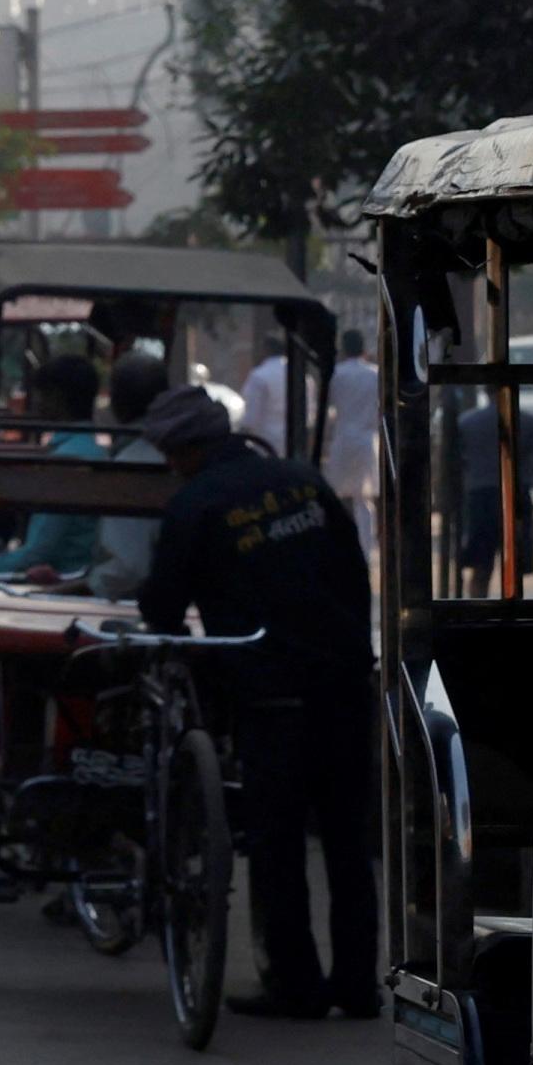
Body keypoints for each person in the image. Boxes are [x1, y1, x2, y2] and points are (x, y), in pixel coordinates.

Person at [133, 387, 376, 1020]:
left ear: (185, 450)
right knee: (349, 841)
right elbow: (355, 573)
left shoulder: (196, 504)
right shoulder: (303, 481)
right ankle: (357, 986)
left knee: (278, 841)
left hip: (272, 692)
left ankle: (295, 986)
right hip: (346, 681)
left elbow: (162, 607)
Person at [0, 354, 108, 579]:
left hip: (58, 579)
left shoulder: (64, 463)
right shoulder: (96, 452)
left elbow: (38, 553)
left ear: (57, 397)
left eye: (42, 394)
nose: (37, 402)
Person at [86, 351, 170, 601]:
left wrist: (86, 590)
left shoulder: (131, 466)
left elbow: (125, 572)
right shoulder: (176, 451)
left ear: (116, 402)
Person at [457, 394, 533, 589]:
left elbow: (454, 460)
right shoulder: (528, 421)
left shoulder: (467, 422)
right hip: (516, 493)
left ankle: (477, 612)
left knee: (481, 566)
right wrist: (525, 470)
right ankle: (513, 607)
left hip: (480, 496)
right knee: (515, 565)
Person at [324, 328, 381, 560]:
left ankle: (337, 550)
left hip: (343, 439)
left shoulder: (337, 374)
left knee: (336, 496)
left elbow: (328, 407)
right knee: (363, 500)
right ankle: (365, 553)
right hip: (367, 441)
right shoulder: (375, 374)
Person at [237, 342, 294, 457]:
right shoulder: (301, 377)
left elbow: (251, 416)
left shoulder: (259, 376)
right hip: (293, 441)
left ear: (266, 351)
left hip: (265, 442)